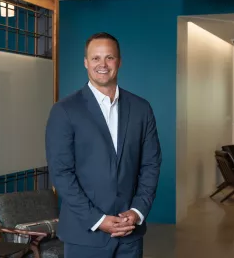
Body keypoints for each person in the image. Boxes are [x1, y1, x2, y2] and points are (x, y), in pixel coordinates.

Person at [45, 32, 162, 258]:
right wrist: (97, 220)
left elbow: (151, 165)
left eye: (109, 57)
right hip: (84, 235)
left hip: (130, 233)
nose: (103, 64)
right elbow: (61, 173)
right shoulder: (65, 110)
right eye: (96, 58)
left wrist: (138, 211)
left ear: (119, 61)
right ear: (86, 62)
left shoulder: (141, 108)